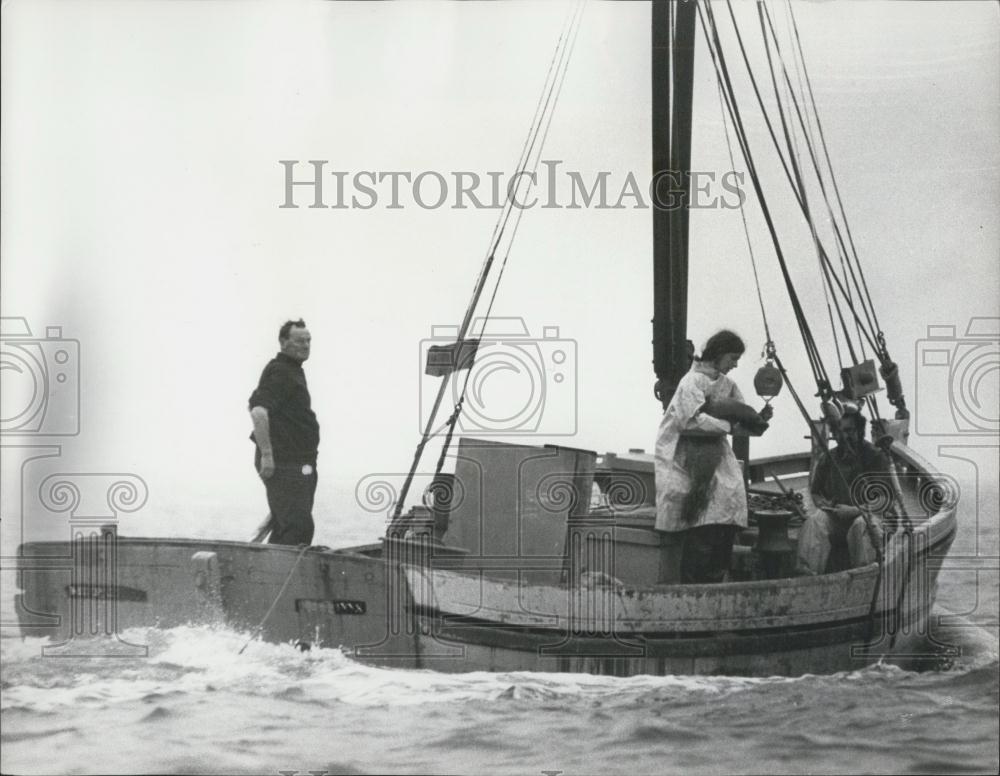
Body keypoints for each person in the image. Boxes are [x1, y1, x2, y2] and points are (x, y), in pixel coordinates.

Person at [655, 330, 772, 583]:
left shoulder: (728, 385)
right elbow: (691, 422)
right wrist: (728, 425)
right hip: (687, 456)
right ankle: (694, 583)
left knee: (728, 503)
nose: (735, 364)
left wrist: (757, 420)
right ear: (718, 353)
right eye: (732, 357)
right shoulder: (692, 382)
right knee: (700, 519)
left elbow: (741, 419)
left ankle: (717, 576)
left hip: (717, 454)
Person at [248, 319, 320, 545]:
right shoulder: (281, 371)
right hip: (285, 463)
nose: (305, 345)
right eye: (299, 340)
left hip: (300, 463)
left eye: (308, 340)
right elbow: (259, 411)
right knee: (298, 526)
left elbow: (253, 402)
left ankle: (270, 577)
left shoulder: (291, 369)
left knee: (287, 524)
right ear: (283, 342)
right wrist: (268, 455)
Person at [795, 408, 887, 575]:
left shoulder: (875, 457)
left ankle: (863, 576)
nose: (844, 436)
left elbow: (883, 499)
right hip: (836, 518)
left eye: (849, 431)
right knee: (814, 522)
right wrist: (824, 504)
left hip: (867, 515)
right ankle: (808, 575)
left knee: (861, 526)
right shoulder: (828, 458)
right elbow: (815, 492)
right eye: (840, 431)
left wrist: (855, 510)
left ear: (860, 431)